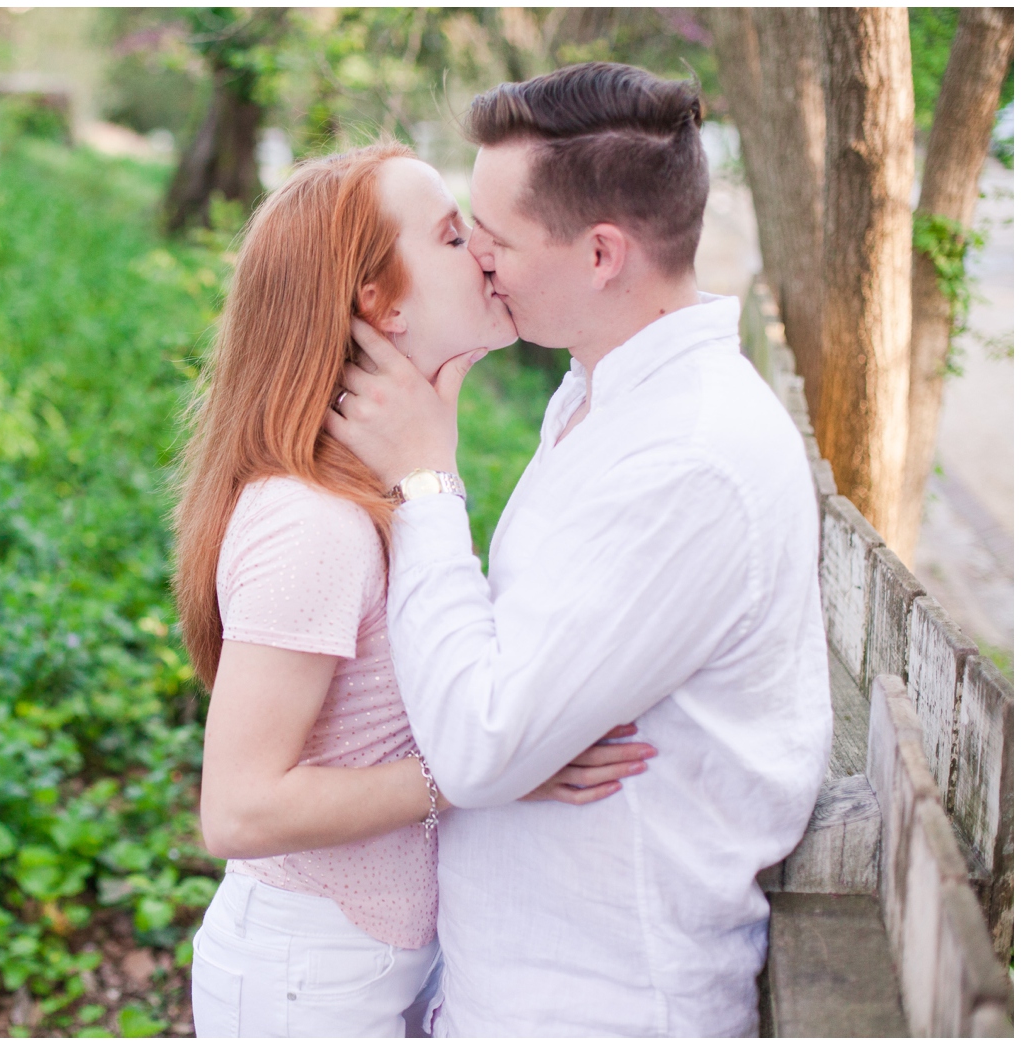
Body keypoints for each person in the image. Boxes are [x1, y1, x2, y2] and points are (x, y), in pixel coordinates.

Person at [325, 63, 834, 1037]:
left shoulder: (690, 459)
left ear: (602, 253)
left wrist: (428, 483)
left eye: (498, 238)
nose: (477, 260)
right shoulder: (597, 393)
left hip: (604, 1001)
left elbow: (479, 745)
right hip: (516, 980)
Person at [172, 142, 655, 1038]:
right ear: (379, 303)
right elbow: (238, 807)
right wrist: (485, 775)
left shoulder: (393, 483)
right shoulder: (310, 521)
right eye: (448, 233)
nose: (482, 248)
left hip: (366, 966)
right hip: (303, 983)